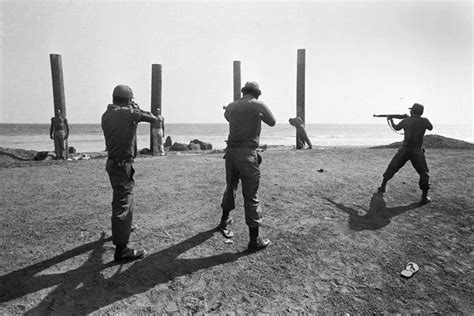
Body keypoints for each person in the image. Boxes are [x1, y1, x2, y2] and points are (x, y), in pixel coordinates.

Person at [101, 84, 157, 262]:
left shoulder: (107, 114)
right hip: (122, 165)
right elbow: (154, 118)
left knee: (121, 200)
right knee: (123, 204)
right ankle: (122, 249)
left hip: (113, 163)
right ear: (128, 99)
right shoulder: (128, 113)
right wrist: (136, 108)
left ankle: (122, 230)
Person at [219, 81, 276, 252]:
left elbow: (227, 116)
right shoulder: (258, 105)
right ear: (257, 93)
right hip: (247, 153)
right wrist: (257, 116)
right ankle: (254, 240)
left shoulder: (232, 106)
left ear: (243, 92)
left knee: (231, 186)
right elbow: (272, 122)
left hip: (231, 153)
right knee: (251, 195)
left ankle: (224, 219)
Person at [378, 103, 433, 204]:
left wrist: (391, 120)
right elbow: (430, 127)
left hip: (405, 149)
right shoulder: (424, 121)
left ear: (413, 111)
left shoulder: (406, 120)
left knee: (392, 166)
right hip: (417, 150)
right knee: (424, 172)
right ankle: (424, 197)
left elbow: (396, 128)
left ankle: (382, 187)